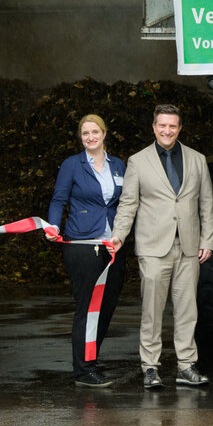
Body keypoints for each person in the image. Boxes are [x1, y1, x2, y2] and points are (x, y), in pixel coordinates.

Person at [111, 104, 213, 389]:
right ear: (154, 127)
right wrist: (119, 235)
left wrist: (208, 240)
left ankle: (186, 365)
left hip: (189, 247)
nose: (167, 130)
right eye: (162, 125)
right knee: (152, 311)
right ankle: (150, 367)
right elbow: (129, 203)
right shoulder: (138, 161)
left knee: (187, 310)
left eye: (172, 126)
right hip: (153, 248)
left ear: (179, 128)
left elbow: (206, 202)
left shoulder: (196, 159)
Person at [47, 114, 127, 388]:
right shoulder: (72, 165)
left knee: (106, 308)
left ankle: (91, 359)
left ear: (105, 134)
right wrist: (53, 226)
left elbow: (126, 201)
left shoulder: (118, 165)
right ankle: (83, 370)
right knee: (87, 308)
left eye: (95, 132)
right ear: (81, 138)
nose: (91, 137)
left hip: (113, 245)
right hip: (83, 244)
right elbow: (59, 199)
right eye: (85, 134)